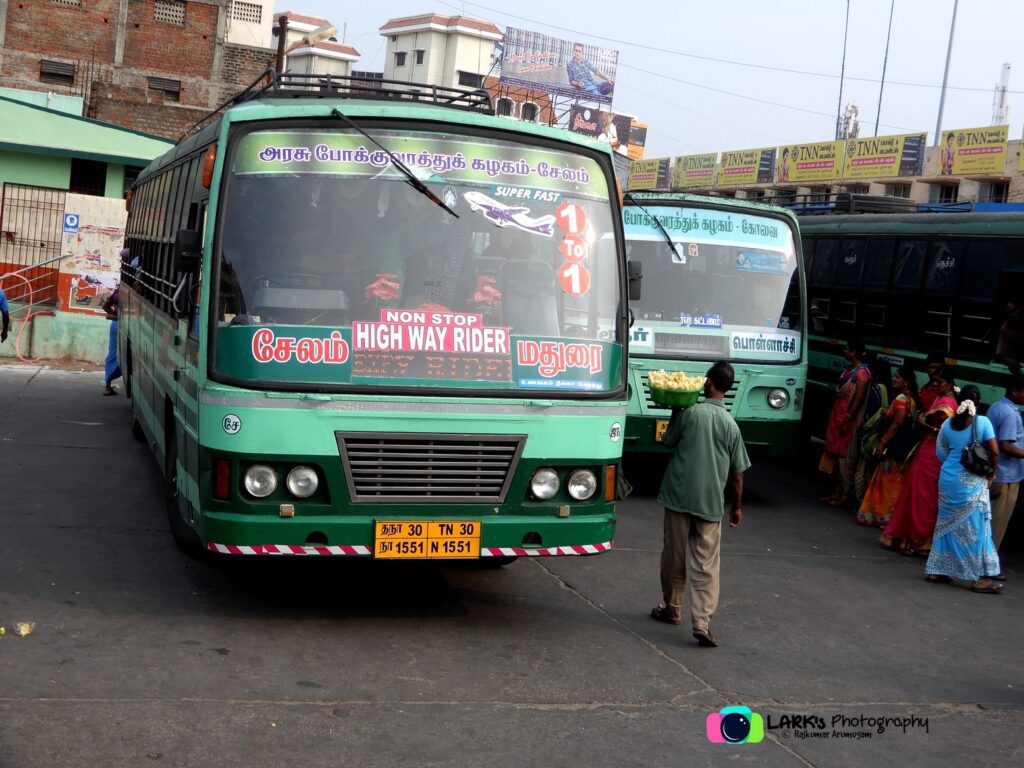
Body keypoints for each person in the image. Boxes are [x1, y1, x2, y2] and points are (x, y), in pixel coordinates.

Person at [649, 361, 751, 648]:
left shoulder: (690, 412)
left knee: (674, 556)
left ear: (707, 383)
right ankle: (702, 622)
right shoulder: (732, 426)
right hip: (710, 503)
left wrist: (675, 409)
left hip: (679, 496)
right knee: (706, 564)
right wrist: (737, 506)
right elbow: (738, 474)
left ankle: (672, 609)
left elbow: (667, 441)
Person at [924, 386, 1002, 593]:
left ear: (959, 401)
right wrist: (991, 474)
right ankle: (977, 578)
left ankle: (937, 570)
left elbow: (941, 453)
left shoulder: (947, 425)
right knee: (975, 530)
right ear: (978, 402)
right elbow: (994, 453)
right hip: (971, 482)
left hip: (948, 480)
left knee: (945, 525)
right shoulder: (982, 422)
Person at [880, 366, 958, 555]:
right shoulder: (942, 399)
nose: (935, 385)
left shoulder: (948, 404)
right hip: (926, 450)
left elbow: (939, 429)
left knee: (924, 498)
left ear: (949, 384)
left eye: (939, 382)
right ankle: (906, 538)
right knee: (913, 494)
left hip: (933, 454)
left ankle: (918, 541)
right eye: (933, 382)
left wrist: (923, 422)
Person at [856, 365, 920, 528]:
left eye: (897, 377)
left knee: (887, 483)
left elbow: (897, 422)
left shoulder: (900, 399)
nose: (893, 379)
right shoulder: (913, 399)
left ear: (906, 382)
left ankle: (883, 517)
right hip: (904, 447)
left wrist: (882, 442)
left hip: (893, 445)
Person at [821, 339, 871, 507]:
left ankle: (845, 493)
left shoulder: (862, 374)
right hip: (839, 416)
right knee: (835, 454)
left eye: (847, 349)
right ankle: (837, 491)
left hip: (847, 420)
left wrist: (848, 419)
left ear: (853, 352)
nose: (844, 352)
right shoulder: (851, 370)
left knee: (846, 458)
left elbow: (858, 399)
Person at [986, 372, 1024, 554]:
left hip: (997, 473)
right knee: (998, 524)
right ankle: (988, 566)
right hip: (1007, 475)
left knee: (990, 520)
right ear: (1015, 391)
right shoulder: (1010, 414)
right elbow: (1006, 445)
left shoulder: (995, 407)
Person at [101, 286, 121, 396]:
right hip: (128, 325)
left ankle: (108, 386)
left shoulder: (118, 291)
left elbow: (105, 306)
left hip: (115, 324)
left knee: (112, 353)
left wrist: (115, 314)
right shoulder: (134, 292)